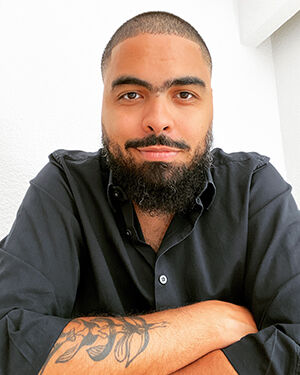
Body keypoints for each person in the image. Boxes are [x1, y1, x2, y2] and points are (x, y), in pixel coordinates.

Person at [0, 10, 300, 375]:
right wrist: (209, 323)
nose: (158, 118)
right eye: (131, 94)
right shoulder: (64, 187)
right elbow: (9, 342)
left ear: (211, 106)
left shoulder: (255, 186)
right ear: (103, 107)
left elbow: (295, 343)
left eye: (185, 94)